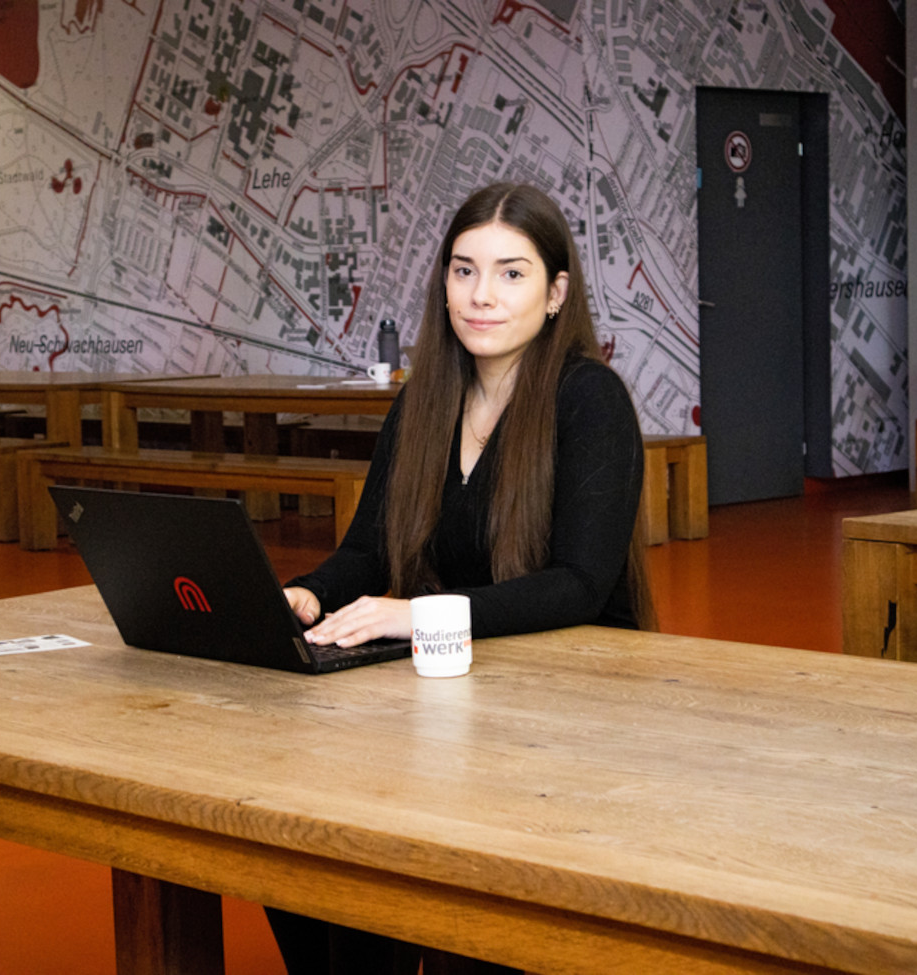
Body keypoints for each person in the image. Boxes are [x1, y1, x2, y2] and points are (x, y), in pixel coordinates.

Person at [268, 182, 654, 974]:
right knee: (299, 846)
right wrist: (308, 591)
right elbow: (366, 556)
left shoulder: (590, 399)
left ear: (555, 294)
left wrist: (418, 616)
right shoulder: (424, 403)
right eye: (463, 270)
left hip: (570, 705)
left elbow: (580, 584)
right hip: (457, 692)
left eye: (511, 274)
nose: (481, 295)